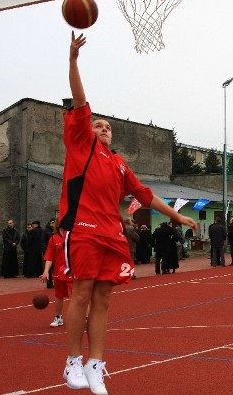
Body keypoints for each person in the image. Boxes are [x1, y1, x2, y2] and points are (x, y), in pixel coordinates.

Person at [60, 32, 198, 394]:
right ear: (87, 129)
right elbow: (79, 99)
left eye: (109, 127)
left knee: (104, 298)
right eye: (100, 124)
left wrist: (176, 215)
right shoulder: (80, 143)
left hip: (111, 233)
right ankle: (73, 358)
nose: (105, 128)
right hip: (84, 228)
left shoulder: (119, 163)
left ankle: (96, 363)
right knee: (82, 292)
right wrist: (73, 60)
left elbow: (144, 195)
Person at [40, 221, 73, 327]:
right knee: (59, 296)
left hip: (73, 272)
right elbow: (49, 257)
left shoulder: (73, 236)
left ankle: (84, 318)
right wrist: (46, 271)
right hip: (59, 272)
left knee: (78, 296)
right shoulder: (53, 239)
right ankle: (58, 317)